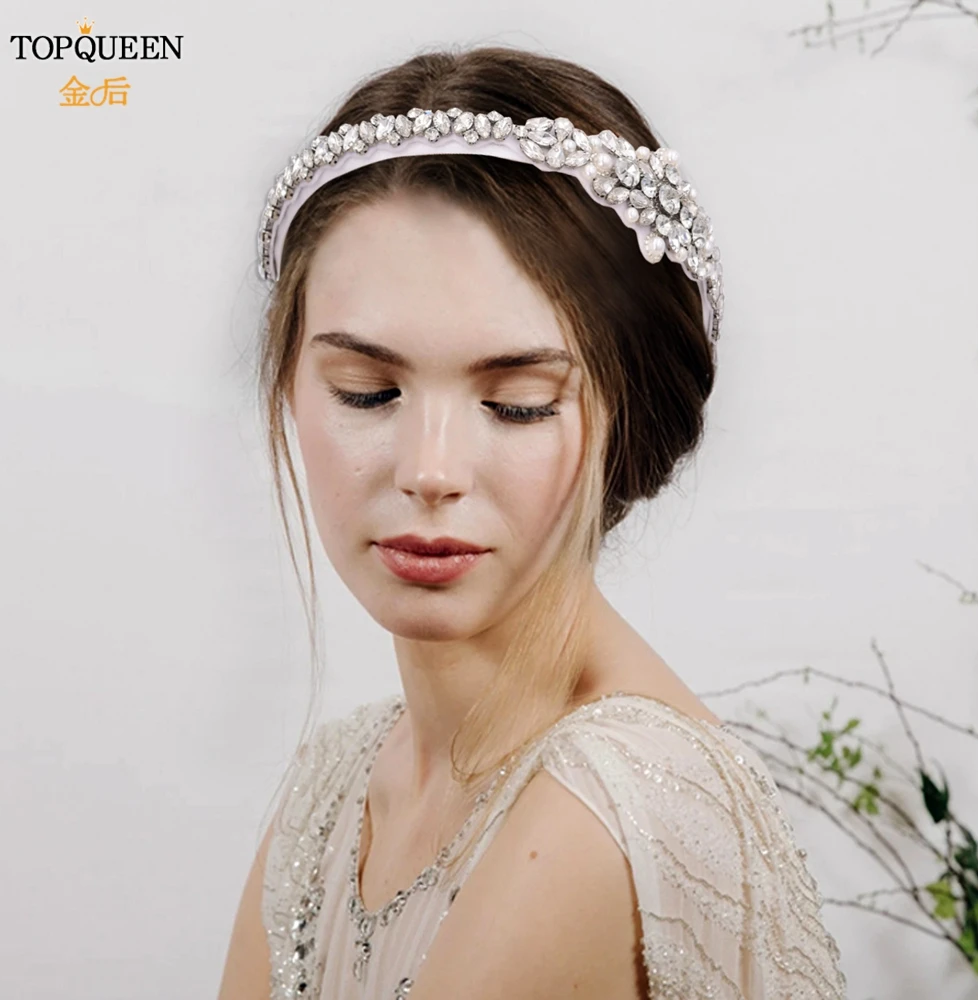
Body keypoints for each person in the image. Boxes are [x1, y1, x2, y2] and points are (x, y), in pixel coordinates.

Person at [218, 44, 847, 1000]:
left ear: (629, 415)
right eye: (368, 390)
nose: (429, 471)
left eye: (516, 404)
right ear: (287, 384)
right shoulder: (339, 782)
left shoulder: (601, 807)